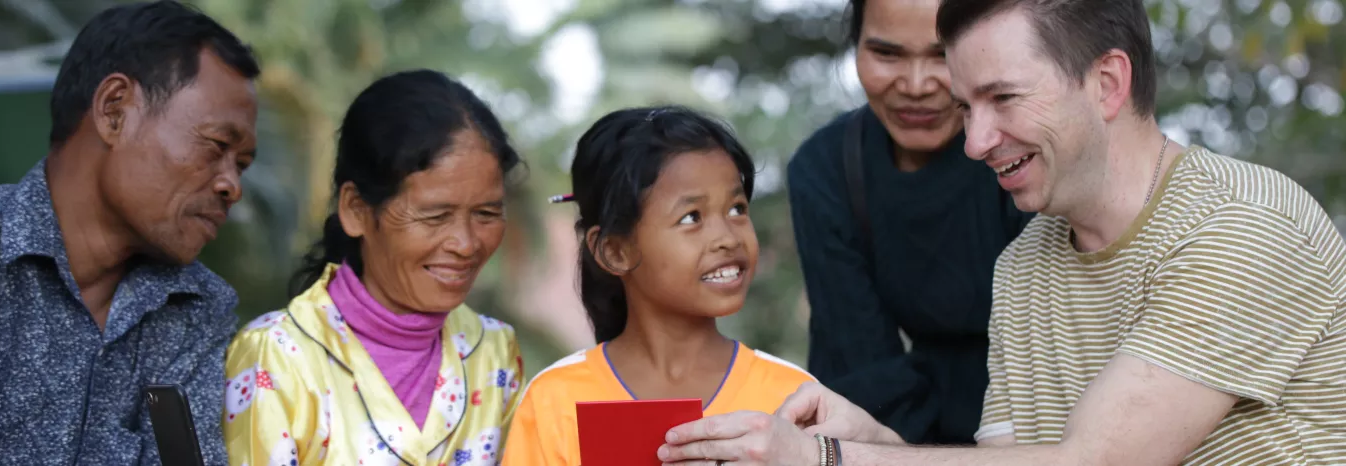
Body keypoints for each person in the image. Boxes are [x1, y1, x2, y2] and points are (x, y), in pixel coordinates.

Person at [655, 0, 1346, 464]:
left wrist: (831, 459)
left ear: (1108, 83)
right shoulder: (1024, 264)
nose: (974, 141)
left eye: (1003, 98)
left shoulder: (1241, 223)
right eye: (967, 107)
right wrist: (874, 438)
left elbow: (1096, 462)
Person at [0, 2, 259, 465]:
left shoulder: (197, 308)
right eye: (217, 146)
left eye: (242, 165)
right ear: (115, 111)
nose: (232, 186)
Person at [222, 69, 525, 466]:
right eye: (435, 216)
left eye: (486, 213)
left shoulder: (494, 352)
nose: (466, 243)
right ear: (356, 210)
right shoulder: (277, 355)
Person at [499, 106, 816, 466]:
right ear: (615, 251)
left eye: (736, 209)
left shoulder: (795, 398)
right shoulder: (554, 401)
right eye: (691, 217)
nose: (728, 238)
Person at [788, 0, 1031, 445]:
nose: (916, 86)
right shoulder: (827, 169)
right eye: (887, 53)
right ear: (855, 47)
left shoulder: (1028, 153)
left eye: (943, 54)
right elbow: (858, 360)